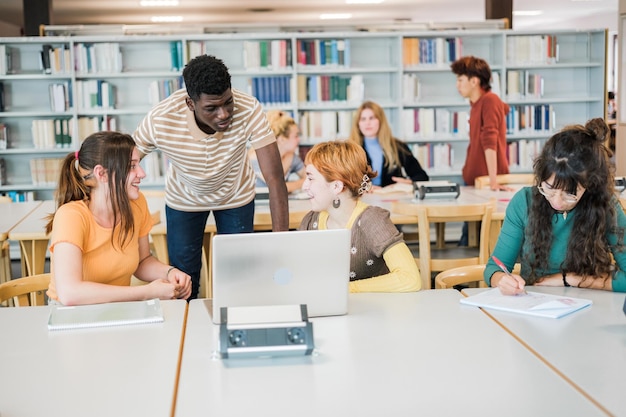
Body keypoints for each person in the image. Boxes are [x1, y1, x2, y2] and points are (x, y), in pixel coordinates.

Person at [133, 55, 289, 299]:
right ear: (190, 103)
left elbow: (275, 179)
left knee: (239, 278)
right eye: (211, 108)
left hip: (235, 196)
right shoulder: (161, 118)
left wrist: (281, 241)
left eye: (228, 103)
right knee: (184, 282)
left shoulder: (249, 108)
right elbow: (126, 160)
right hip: (184, 199)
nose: (224, 114)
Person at [45, 131, 192, 305]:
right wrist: (146, 292)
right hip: (72, 315)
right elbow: (70, 294)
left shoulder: (137, 204)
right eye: (131, 166)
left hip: (118, 310)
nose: (142, 173)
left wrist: (169, 272)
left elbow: (142, 261)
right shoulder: (71, 216)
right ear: (102, 174)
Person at [485, 118, 626, 295]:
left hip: (590, 304)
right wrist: (501, 279)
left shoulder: (606, 205)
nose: (557, 201)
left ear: (591, 185)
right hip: (533, 303)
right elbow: (493, 268)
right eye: (549, 188)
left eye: (570, 193)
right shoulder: (524, 202)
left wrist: (570, 279)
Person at [298, 140, 421, 292]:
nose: (304, 186)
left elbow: (409, 279)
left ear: (336, 186)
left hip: (377, 312)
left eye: (310, 178)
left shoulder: (372, 220)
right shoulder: (310, 221)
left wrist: (344, 289)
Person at [450, 56, 510, 191]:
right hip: (475, 181)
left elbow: (490, 142)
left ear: (474, 81)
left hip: (487, 183)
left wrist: (493, 182)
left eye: (460, 80)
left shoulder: (490, 101)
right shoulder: (477, 104)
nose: (457, 85)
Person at [348, 100, 429, 189]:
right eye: (363, 119)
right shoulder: (350, 149)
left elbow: (422, 176)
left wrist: (408, 182)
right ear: (358, 124)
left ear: (380, 121)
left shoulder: (398, 147)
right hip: (361, 199)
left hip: (392, 199)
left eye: (372, 118)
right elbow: (342, 180)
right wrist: (365, 187)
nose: (367, 123)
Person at [248, 110, 306, 193]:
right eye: (296, 136)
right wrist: (301, 183)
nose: (299, 140)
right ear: (282, 139)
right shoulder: (256, 158)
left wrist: (293, 185)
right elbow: (277, 188)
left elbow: (309, 177)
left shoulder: (291, 156)